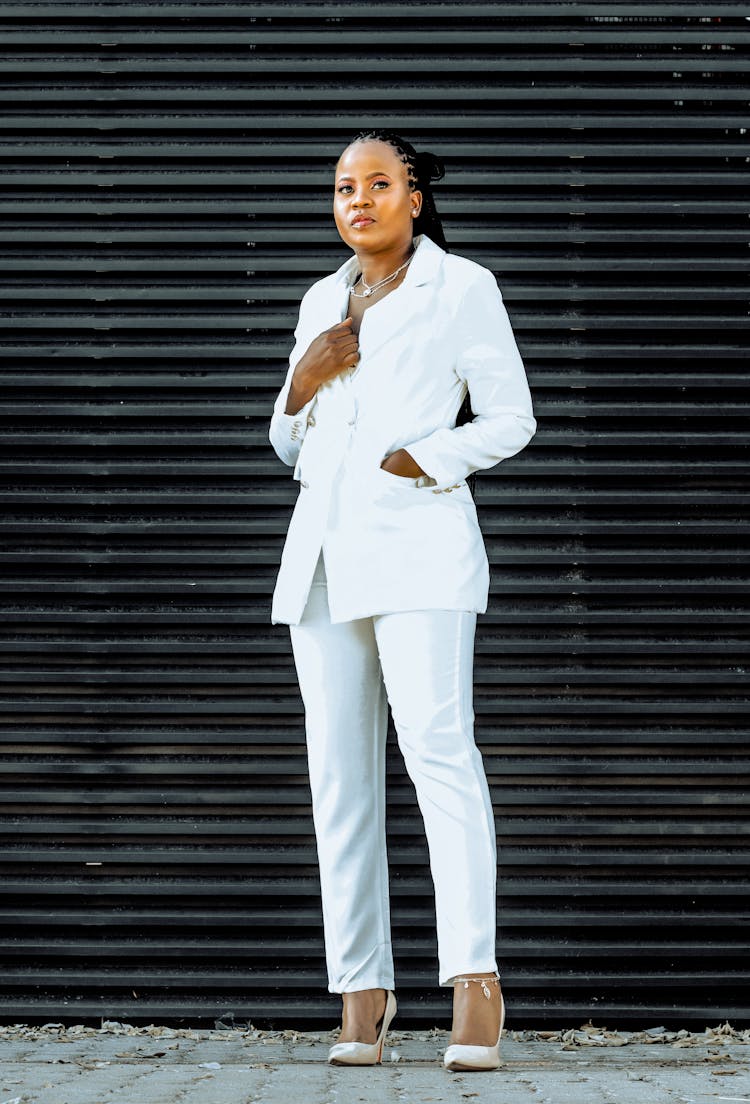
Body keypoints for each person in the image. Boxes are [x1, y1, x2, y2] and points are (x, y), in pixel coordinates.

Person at [268, 129, 536, 1072]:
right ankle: (362, 991)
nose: (359, 199)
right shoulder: (317, 298)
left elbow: (512, 416)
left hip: (419, 548)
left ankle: (474, 981)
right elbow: (290, 441)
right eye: (344, 185)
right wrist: (303, 380)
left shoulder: (461, 287)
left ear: (414, 196)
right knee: (338, 776)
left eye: (379, 183)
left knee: (439, 755)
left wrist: (424, 457)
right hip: (323, 562)